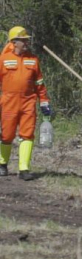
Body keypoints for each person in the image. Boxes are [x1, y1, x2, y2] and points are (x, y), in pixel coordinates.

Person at [0, 27, 51, 180]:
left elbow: (39, 83)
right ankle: (2, 164)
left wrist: (44, 101)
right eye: (23, 40)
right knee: (7, 134)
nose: (26, 42)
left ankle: (24, 169)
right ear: (14, 42)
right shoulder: (3, 59)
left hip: (29, 101)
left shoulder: (33, 59)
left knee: (27, 134)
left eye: (26, 40)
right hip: (8, 101)